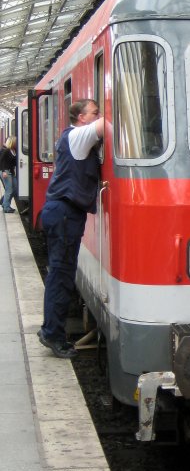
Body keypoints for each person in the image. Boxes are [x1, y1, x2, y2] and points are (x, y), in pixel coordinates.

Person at [37, 99, 104, 359]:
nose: (98, 115)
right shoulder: (77, 136)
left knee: (61, 273)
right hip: (64, 214)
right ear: (81, 118)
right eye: (93, 112)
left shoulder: (74, 138)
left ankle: (51, 330)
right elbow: (107, 123)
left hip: (63, 213)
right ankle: (52, 334)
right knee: (61, 275)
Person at [0, 136, 17, 213]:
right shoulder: (6, 150)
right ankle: (6, 207)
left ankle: (4, 202)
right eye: (16, 141)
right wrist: (3, 171)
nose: (17, 142)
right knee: (9, 189)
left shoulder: (14, 150)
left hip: (11, 172)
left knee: (15, 188)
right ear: (12, 142)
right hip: (5, 171)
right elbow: (1, 161)